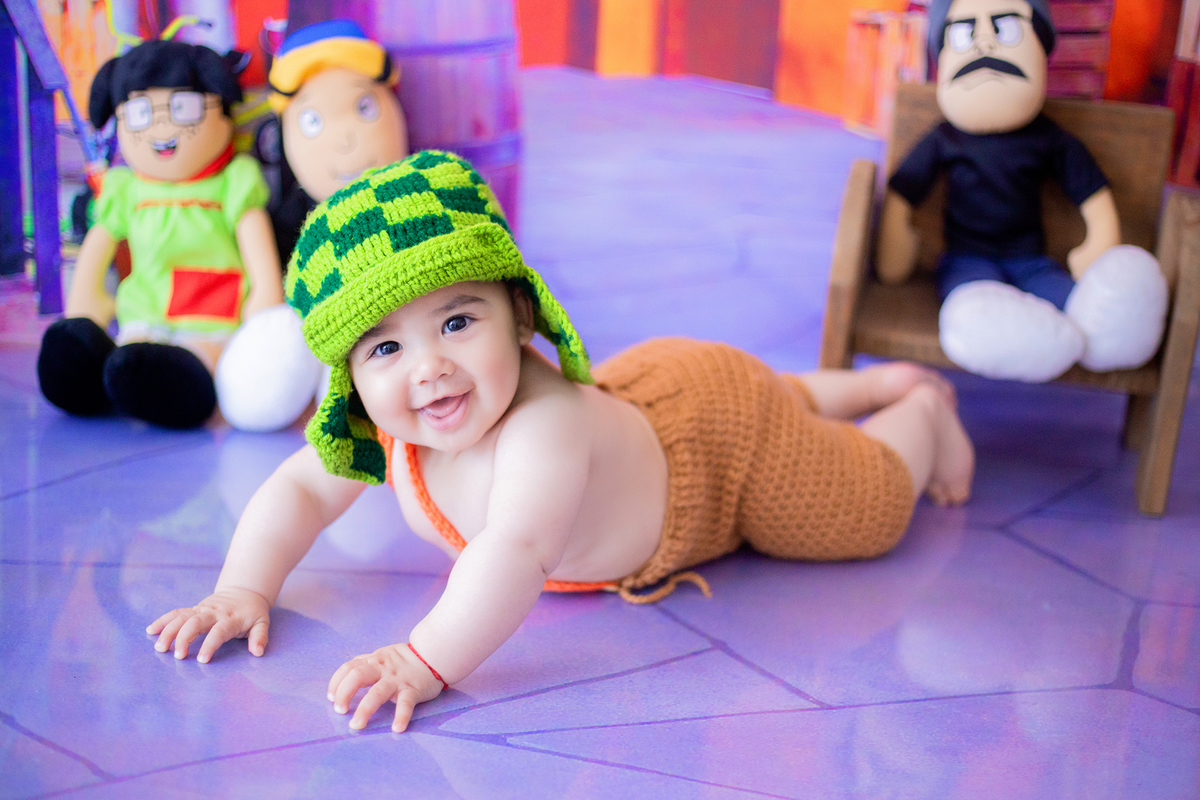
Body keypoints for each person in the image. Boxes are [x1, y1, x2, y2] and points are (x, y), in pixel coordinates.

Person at [148, 151, 975, 733]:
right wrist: (240, 588)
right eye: (386, 348)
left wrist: (422, 661)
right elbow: (298, 489)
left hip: (720, 458)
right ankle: (853, 386)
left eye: (459, 320)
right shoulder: (388, 421)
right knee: (780, 393)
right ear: (351, 379)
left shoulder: (545, 424)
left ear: (519, 314)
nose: (430, 367)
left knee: (862, 506)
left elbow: (511, 551)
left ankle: (915, 416)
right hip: (654, 386)